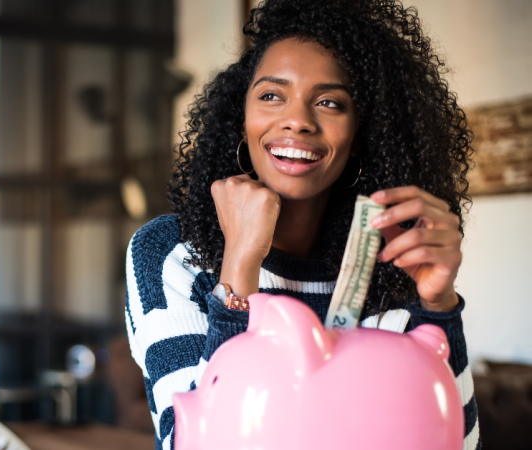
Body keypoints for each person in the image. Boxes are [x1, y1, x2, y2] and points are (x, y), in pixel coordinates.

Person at [124, 0, 479, 449]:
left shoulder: (390, 260)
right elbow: (190, 440)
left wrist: (439, 306)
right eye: (271, 95)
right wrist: (240, 265)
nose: (297, 120)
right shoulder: (173, 251)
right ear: (242, 117)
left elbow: (453, 443)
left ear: (361, 133)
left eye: (330, 102)